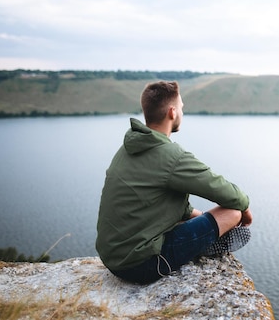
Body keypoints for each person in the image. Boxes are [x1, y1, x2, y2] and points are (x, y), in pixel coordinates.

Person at [96, 80, 253, 284]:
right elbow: (227, 193)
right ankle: (200, 245)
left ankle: (200, 238)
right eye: (181, 107)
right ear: (172, 112)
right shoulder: (171, 156)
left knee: (202, 216)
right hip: (141, 266)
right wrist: (245, 209)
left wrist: (202, 218)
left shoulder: (128, 148)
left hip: (113, 259)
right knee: (232, 213)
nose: (182, 112)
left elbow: (164, 201)